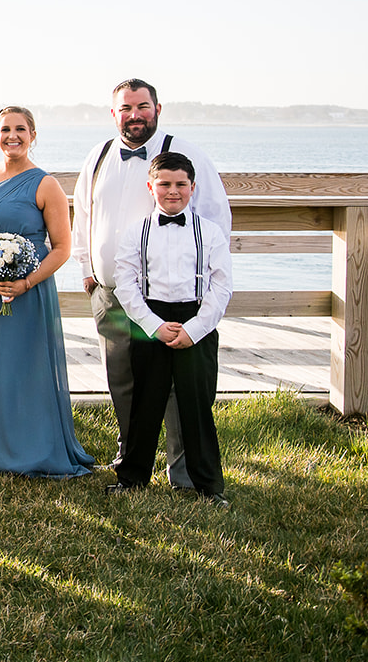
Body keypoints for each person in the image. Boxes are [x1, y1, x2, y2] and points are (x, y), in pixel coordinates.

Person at [72, 78, 231, 487]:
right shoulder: (99, 155)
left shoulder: (184, 153)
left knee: (181, 391)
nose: (134, 115)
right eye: (125, 108)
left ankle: (183, 470)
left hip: (170, 298)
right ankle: (131, 462)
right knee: (124, 382)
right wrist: (88, 271)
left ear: (157, 109)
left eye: (142, 106)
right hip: (111, 294)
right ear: (114, 114)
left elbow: (215, 218)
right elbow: (84, 215)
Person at [0, 107, 93, 477]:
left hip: (28, 290)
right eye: (5, 129)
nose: (12, 136)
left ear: (33, 134)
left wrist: (25, 282)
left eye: (20, 129)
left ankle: (34, 448)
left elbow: (62, 248)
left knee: (26, 367)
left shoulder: (46, 184)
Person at [107, 152, 232, 506]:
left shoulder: (210, 233)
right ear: (151, 187)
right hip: (151, 321)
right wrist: (154, 326)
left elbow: (221, 287)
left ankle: (207, 485)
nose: (172, 191)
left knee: (197, 406)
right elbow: (125, 283)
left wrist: (195, 329)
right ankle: (132, 478)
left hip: (197, 321)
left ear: (193, 188)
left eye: (180, 184)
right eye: (164, 184)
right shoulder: (137, 231)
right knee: (144, 404)